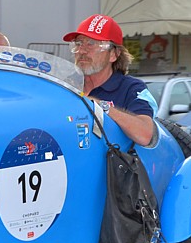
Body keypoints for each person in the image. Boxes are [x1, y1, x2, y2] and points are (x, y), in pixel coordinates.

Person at [63, 14, 157, 146]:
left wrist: (99, 106)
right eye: (78, 43)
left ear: (113, 54)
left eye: (91, 44)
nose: (81, 51)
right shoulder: (64, 86)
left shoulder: (132, 88)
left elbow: (145, 135)